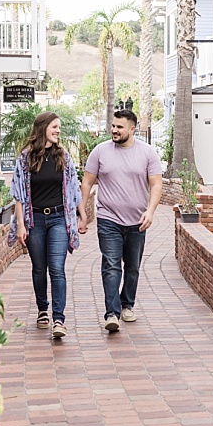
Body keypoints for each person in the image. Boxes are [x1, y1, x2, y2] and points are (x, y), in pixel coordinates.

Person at [78, 109, 162, 333]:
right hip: (108, 219)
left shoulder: (147, 153)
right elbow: (86, 182)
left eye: (119, 127)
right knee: (112, 265)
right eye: (113, 126)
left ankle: (127, 305)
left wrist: (151, 211)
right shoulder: (100, 151)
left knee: (132, 267)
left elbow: (156, 185)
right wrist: (83, 213)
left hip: (137, 221)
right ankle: (111, 313)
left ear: (132, 129)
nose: (114, 130)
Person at [8, 112, 85, 339]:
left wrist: (82, 217)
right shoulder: (25, 158)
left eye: (59, 127)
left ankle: (59, 319)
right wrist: (21, 225)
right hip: (36, 220)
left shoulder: (64, 156)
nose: (58, 131)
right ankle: (43, 309)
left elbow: (73, 188)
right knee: (39, 268)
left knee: (57, 268)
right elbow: (19, 195)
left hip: (59, 219)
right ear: (43, 128)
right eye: (54, 127)